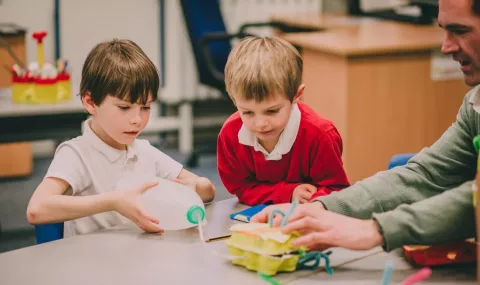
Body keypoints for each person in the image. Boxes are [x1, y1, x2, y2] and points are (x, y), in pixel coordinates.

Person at [252, 0, 479, 252]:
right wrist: (320, 208)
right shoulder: (475, 105)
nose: (445, 46)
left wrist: (377, 229)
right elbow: (427, 176)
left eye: (460, 31)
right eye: (444, 30)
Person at [26, 39, 216, 237]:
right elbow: (36, 209)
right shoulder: (76, 154)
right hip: (91, 262)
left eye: (146, 107)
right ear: (90, 102)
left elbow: (208, 189)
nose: (137, 120)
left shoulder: (143, 151)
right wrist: (113, 201)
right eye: (124, 107)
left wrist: (195, 188)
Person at [217, 36, 349, 206]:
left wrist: (312, 201)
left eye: (272, 111)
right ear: (234, 100)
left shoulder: (320, 134)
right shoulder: (230, 134)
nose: (260, 123)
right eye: (248, 112)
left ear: (296, 96)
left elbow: (337, 190)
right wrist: (288, 193)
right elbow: (241, 188)